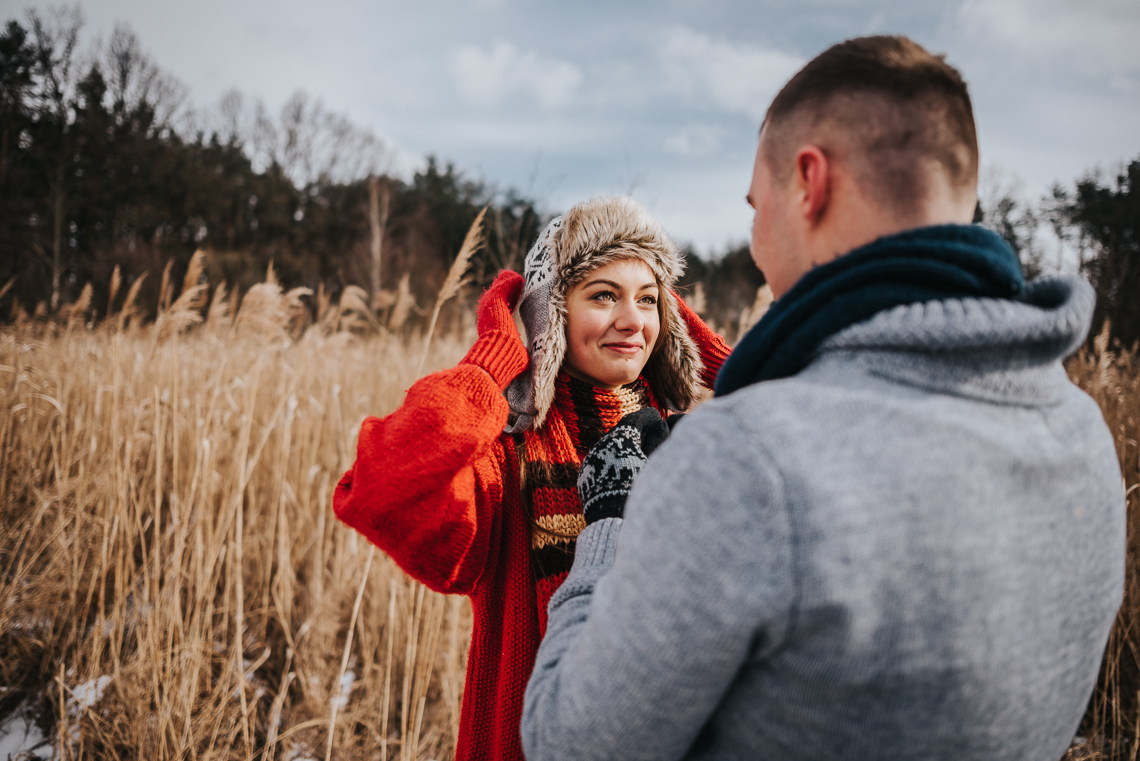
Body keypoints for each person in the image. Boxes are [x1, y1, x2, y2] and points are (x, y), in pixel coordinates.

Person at [522, 35, 1126, 760]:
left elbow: (570, 743)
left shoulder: (748, 461)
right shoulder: (1081, 434)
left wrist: (612, 520)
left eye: (756, 205)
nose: (753, 240)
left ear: (809, 181)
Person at [332, 196, 730, 761]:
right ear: (552, 316)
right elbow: (382, 487)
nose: (632, 321)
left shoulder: (688, 444)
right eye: (603, 296)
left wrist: (726, 366)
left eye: (648, 300)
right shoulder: (505, 462)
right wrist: (492, 363)